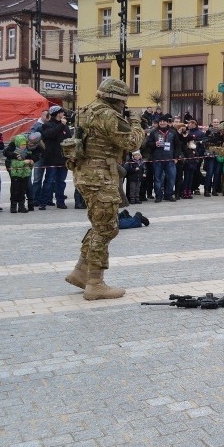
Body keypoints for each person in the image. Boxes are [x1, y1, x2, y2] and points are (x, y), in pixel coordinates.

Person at [65, 78, 145, 300]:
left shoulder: (86, 110)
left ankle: (81, 271)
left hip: (85, 174)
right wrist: (137, 123)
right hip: (100, 177)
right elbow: (132, 143)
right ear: (116, 98)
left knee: (98, 225)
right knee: (107, 229)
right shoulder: (108, 115)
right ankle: (95, 283)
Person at [39, 106, 72, 210]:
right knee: (49, 181)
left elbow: (69, 140)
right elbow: (50, 135)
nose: (63, 114)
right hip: (52, 158)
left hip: (63, 158)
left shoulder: (65, 126)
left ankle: (60, 202)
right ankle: (43, 202)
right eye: (62, 112)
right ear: (58, 113)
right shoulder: (47, 125)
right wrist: (61, 125)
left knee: (61, 182)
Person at [144, 115, 179, 202]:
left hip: (170, 159)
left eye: (164, 121)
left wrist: (176, 157)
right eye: (161, 121)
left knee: (171, 178)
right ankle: (158, 196)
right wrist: (154, 144)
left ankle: (168, 195)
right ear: (159, 123)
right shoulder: (154, 132)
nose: (162, 123)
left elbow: (178, 145)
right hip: (157, 159)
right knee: (157, 178)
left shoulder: (173, 132)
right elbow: (148, 144)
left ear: (167, 122)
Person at [6, 134, 37, 213]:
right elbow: (14, 165)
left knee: (22, 191)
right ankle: (13, 207)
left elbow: (32, 161)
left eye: (24, 144)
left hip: (25, 174)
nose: (23, 146)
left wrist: (31, 162)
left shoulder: (28, 152)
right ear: (18, 144)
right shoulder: (15, 153)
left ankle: (21, 206)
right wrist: (24, 162)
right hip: (16, 175)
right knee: (15, 191)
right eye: (22, 144)